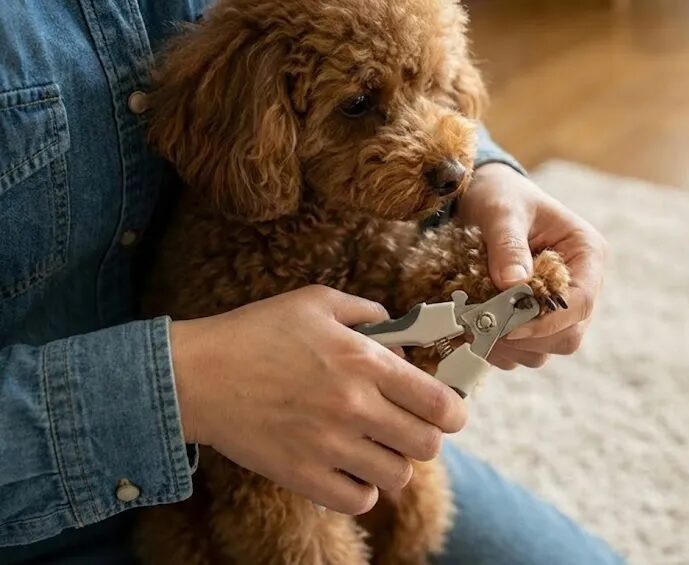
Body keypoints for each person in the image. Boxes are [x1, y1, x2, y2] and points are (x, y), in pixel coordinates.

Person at [0, 1, 615, 563]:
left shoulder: (368, 199)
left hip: (343, 434)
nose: (440, 150)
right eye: (355, 106)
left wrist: (489, 184)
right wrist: (187, 386)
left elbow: (420, 318)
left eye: (429, 88)